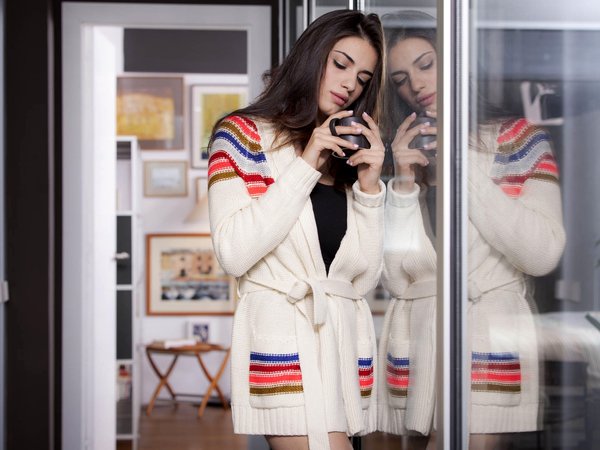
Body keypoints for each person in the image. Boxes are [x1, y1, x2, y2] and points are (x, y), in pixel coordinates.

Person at [377, 10, 566, 449]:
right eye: (402, 78)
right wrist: (403, 183)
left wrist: (460, 164)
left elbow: (541, 254)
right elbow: (395, 276)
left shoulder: (518, 139)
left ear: (455, 56)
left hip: (487, 329)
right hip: (420, 333)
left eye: (426, 64)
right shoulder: (404, 150)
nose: (417, 86)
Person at [207, 10, 386, 450]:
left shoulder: (346, 156)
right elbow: (234, 251)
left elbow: (360, 277)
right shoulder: (242, 136)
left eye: (362, 78)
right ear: (311, 56)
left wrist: (369, 188)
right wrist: (307, 163)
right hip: (284, 340)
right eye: (340, 64)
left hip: (344, 351)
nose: (350, 84)